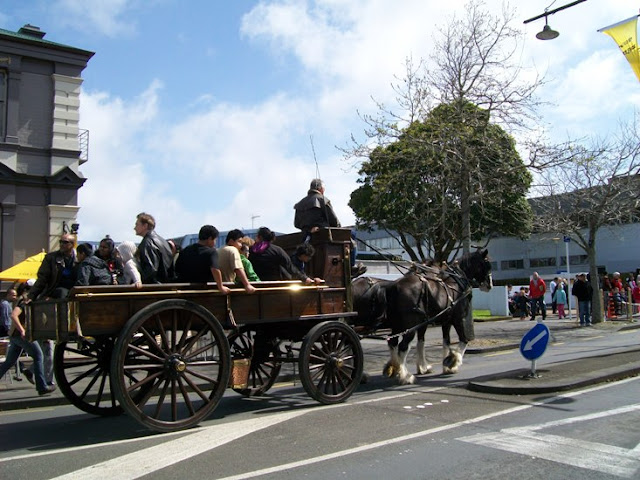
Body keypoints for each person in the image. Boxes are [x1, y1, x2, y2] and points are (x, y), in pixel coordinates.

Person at [0, 282, 56, 395]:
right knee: (39, 356)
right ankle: (42, 386)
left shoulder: (22, 299)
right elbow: (14, 315)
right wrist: (22, 330)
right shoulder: (24, 301)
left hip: (15, 336)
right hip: (21, 335)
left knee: (9, 362)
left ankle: (41, 385)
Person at [249, 227, 320, 284]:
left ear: (260, 237)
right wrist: (304, 278)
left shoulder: (250, 250)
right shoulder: (277, 250)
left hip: (255, 284)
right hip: (274, 285)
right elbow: (290, 267)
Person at [174, 225, 230, 294]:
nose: (215, 243)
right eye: (215, 240)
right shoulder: (211, 252)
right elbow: (215, 269)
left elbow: (177, 269)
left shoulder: (185, 250)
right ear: (210, 239)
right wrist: (221, 287)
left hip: (184, 290)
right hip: (203, 291)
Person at [28, 233, 77, 301]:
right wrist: (32, 295)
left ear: (73, 244)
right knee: (62, 292)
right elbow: (42, 278)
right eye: (60, 242)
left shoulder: (79, 259)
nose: (61, 244)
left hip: (74, 290)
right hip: (54, 290)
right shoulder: (51, 258)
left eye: (65, 242)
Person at [134, 212, 174, 284]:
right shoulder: (163, 241)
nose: (134, 228)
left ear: (145, 226)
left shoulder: (147, 243)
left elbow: (150, 269)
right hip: (166, 285)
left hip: (154, 286)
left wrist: (137, 281)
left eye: (137, 224)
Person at [218, 229, 256, 294]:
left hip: (218, 286)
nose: (241, 245)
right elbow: (238, 269)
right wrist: (247, 285)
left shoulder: (219, 250)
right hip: (227, 287)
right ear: (231, 241)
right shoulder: (233, 250)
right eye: (239, 242)